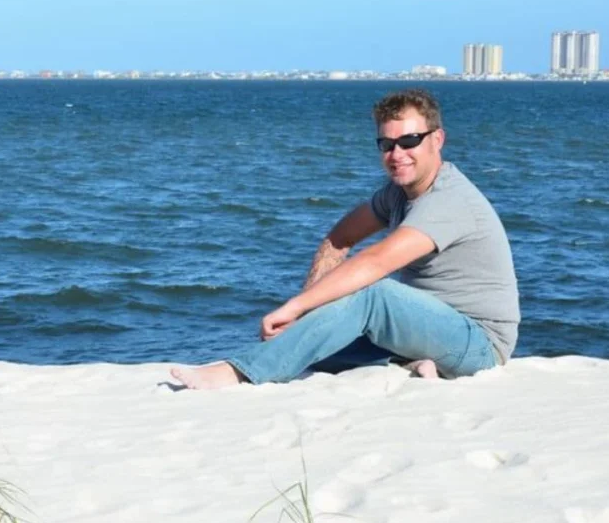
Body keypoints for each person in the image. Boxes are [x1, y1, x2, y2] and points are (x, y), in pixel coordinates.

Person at [171, 88, 520, 390]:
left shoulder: (449, 200)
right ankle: (413, 361)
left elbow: (375, 263)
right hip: (422, 330)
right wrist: (305, 318)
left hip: (479, 344)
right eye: (387, 143)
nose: (397, 154)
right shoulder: (396, 195)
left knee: (373, 294)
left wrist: (296, 306)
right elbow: (339, 238)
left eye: (410, 141)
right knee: (316, 349)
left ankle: (239, 373)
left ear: (437, 139)